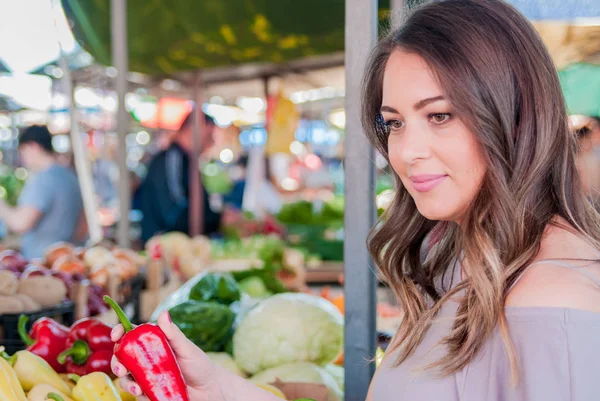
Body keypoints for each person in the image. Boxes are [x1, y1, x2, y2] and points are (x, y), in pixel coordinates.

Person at [111, 1, 600, 400]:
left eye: (441, 115)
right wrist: (217, 388)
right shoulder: (457, 256)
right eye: (395, 123)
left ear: (515, 113)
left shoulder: (555, 302)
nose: (405, 152)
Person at [0, 125, 85, 259]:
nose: (23, 158)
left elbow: (21, 223)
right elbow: (82, 227)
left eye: (23, 151)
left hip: (41, 262)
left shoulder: (43, 179)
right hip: (67, 258)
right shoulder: (70, 176)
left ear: (33, 147)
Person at [139, 110, 221, 243]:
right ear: (193, 129)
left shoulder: (187, 161)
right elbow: (174, 213)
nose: (211, 142)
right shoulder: (172, 160)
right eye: (209, 135)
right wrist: (218, 219)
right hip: (165, 250)